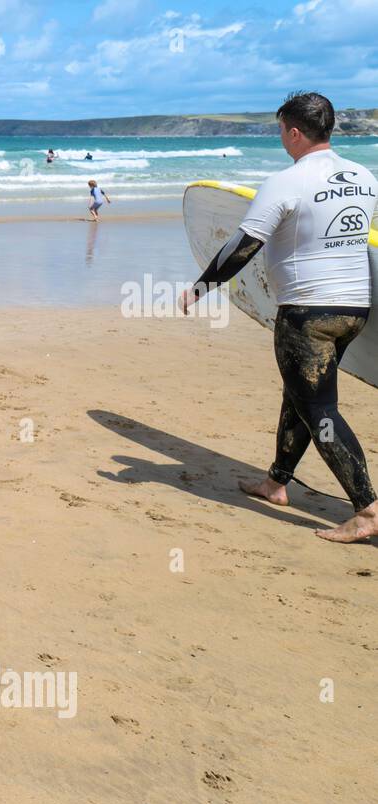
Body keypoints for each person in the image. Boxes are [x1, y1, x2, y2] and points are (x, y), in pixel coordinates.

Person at [180, 91, 378, 542]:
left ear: (293, 131)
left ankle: (367, 509)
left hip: (307, 314)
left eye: (281, 131)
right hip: (354, 310)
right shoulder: (364, 176)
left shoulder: (286, 181)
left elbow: (243, 245)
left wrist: (201, 286)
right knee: (300, 398)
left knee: (319, 408)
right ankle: (276, 483)